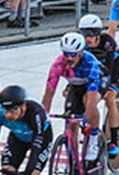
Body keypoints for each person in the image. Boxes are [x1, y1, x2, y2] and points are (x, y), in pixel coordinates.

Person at [41, 32, 104, 160]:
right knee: (71, 124)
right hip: (75, 86)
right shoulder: (58, 65)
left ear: (80, 53)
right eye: (66, 54)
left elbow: (91, 97)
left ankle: (93, 141)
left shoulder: (90, 63)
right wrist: (42, 117)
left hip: (96, 84)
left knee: (88, 101)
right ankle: (74, 162)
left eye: (73, 54)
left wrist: (87, 118)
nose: (69, 58)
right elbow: (48, 94)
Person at [78, 14, 119, 159]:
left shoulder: (107, 43)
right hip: (95, 73)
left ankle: (114, 138)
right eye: (84, 35)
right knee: (86, 97)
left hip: (113, 71)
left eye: (91, 35)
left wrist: (107, 88)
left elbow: (109, 70)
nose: (87, 39)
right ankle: (93, 129)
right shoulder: (82, 45)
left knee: (109, 99)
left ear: (98, 34)